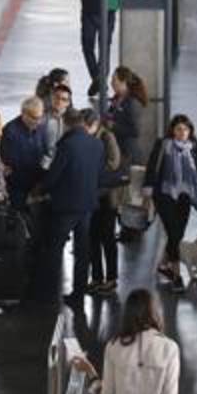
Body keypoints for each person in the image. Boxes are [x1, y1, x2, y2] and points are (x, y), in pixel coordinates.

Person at [144, 115, 197, 292]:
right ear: (172, 130)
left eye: (186, 130)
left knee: (177, 234)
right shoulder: (163, 145)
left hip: (185, 196)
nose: (182, 133)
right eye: (179, 129)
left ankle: (163, 264)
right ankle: (176, 276)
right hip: (164, 194)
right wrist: (148, 189)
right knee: (173, 232)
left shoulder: (193, 147)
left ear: (190, 132)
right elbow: (152, 167)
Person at [39, 108, 104, 307]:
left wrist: (42, 189)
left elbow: (53, 177)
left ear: (70, 124)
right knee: (82, 251)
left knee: (54, 249)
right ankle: (78, 295)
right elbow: (99, 174)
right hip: (87, 205)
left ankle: (49, 294)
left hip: (65, 206)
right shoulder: (97, 144)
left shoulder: (67, 145)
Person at [91, 112, 125, 297]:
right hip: (93, 195)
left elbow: (114, 162)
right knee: (92, 237)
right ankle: (96, 278)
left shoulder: (107, 137)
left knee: (107, 237)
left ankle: (111, 279)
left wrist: (91, 169)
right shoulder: (89, 137)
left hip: (107, 196)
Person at [0, 96, 48, 211]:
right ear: (24, 114)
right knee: (19, 218)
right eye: (35, 118)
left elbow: (44, 150)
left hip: (36, 183)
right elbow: (8, 159)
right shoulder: (10, 131)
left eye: (40, 117)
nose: (38, 121)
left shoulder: (41, 127)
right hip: (18, 186)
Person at [106, 66, 147, 167]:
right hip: (117, 151)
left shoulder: (132, 103)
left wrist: (113, 126)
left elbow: (135, 131)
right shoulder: (116, 100)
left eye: (114, 79)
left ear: (123, 82)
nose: (111, 83)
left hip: (129, 154)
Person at [42, 83, 73, 167]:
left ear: (68, 103)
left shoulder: (74, 120)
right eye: (57, 97)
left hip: (67, 164)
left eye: (64, 99)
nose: (59, 102)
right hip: (45, 163)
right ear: (51, 98)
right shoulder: (42, 119)